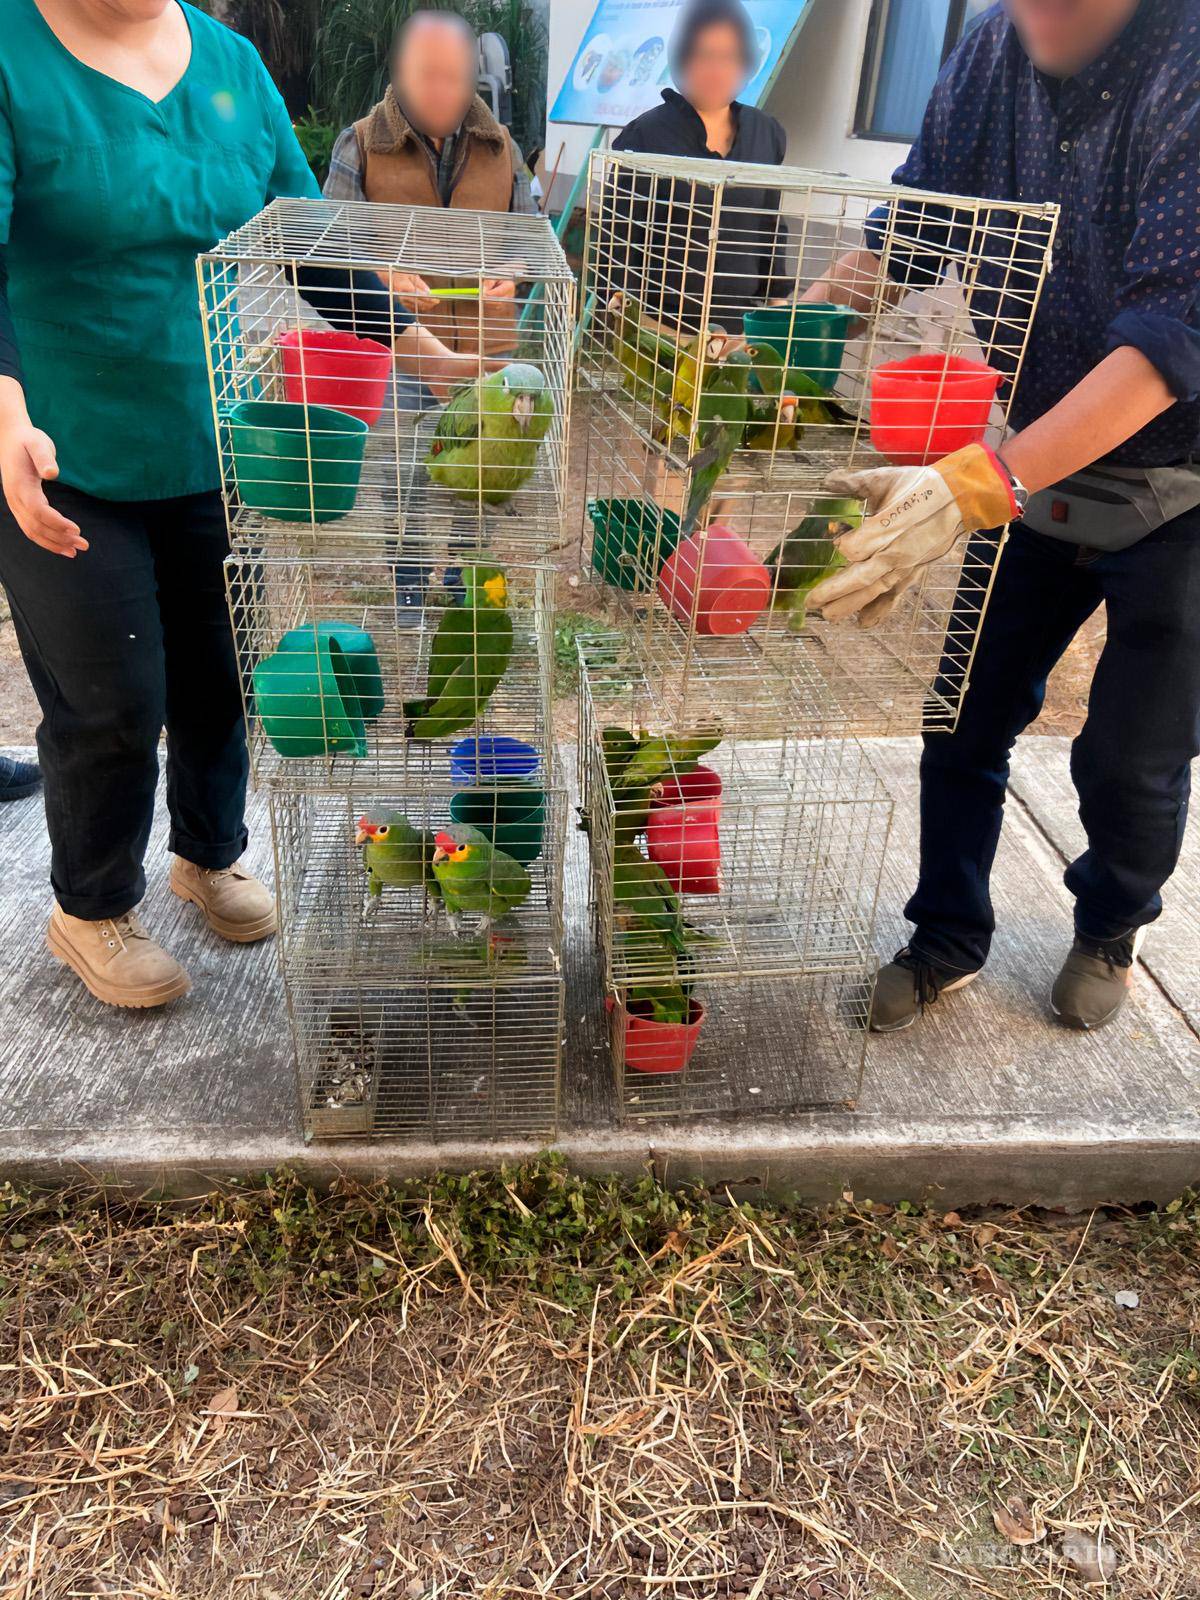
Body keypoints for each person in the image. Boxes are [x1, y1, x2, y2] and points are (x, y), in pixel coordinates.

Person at [0, 0, 484, 1010]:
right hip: (58, 446)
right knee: (114, 698)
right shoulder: (13, 51)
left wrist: (428, 354)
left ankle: (208, 854)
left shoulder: (226, 65)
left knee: (221, 670)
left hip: (215, 442)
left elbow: (310, 244)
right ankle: (90, 908)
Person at [804, 0, 1200, 1034]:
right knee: (965, 714)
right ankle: (947, 935)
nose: (1040, 14)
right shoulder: (994, 44)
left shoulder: (1187, 58)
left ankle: (1112, 923)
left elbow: (1168, 345)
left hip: (1180, 481)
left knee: (1132, 752)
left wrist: (980, 484)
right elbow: (916, 223)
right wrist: (784, 344)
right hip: (1037, 450)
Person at [323, 9, 537, 609]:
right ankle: (409, 578)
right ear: (402, 72)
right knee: (403, 472)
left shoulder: (503, 148)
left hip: (487, 344)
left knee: (485, 463)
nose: (442, 89)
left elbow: (530, 234)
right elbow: (327, 239)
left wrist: (513, 273)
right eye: (428, 75)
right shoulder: (361, 142)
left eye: (454, 75)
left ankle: (463, 573)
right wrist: (384, 272)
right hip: (400, 345)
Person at [610, 0, 789, 329]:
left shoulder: (767, 134)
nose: (716, 69)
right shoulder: (645, 136)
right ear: (682, 57)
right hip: (660, 329)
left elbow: (771, 227)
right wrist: (647, 329)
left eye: (729, 56)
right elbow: (618, 249)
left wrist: (777, 315)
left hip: (739, 331)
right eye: (703, 55)